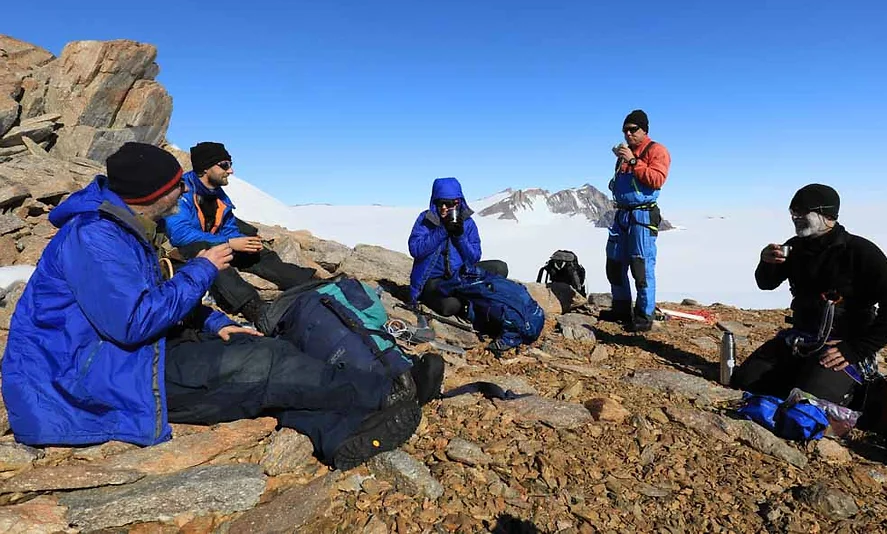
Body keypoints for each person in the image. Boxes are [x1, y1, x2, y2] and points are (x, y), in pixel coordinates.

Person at [1, 142, 420, 470]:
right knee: (264, 362)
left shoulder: (124, 228)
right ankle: (387, 391)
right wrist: (202, 268)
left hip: (116, 355)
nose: (184, 188)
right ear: (153, 195)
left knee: (255, 368)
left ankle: (340, 435)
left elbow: (148, 298)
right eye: (174, 187)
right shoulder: (96, 238)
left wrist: (216, 321)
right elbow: (133, 322)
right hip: (85, 378)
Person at [731, 184, 887, 406]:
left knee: (809, 403)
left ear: (827, 215)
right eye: (793, 212)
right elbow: (766, 284)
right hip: (799, 340)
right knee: (744, 382)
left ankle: (855, 392)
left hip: (841, 345)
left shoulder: (861, 251)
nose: (795, 218)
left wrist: (856, 349)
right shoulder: (795, 247)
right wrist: (766, 263)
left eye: (802, 212)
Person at [163, 142, 316, 324]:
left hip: (214, 243)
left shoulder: (219, 196)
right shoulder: (182, 192)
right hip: (183, 252)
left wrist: (243, 242)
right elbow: (180, 234)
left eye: (230, 165)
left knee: (256, 251)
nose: (231, 171)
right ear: (205, 168)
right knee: (209, 254)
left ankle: (308, 282)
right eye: (224, 165)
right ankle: (254, 308)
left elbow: (229, 228)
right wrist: (229, 243)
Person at [601, 109, 671, 332]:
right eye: (625, 130)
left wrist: (633, 162)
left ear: (644, 130)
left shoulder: (656, 151)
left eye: (633, 130)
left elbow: (657, 179)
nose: (628, 134)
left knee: (641, 265)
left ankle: (643, 315)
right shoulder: (626, 153)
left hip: (642, 214)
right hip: (622, 213)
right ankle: (621, 308)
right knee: (614, 262)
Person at [408, 177, 508, 318]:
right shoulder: (426, 219)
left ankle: (467, 294)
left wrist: (460, 236)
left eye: (447, 204)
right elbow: (416, 250)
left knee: (499, 268)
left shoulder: (467, 223)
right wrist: (442, 230)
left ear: (457, 203)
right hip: (432, 282)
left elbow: (474, 257)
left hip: (459, 276)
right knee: (451, 306)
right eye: (439, 203)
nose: (443, 208)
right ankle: (468, 297)